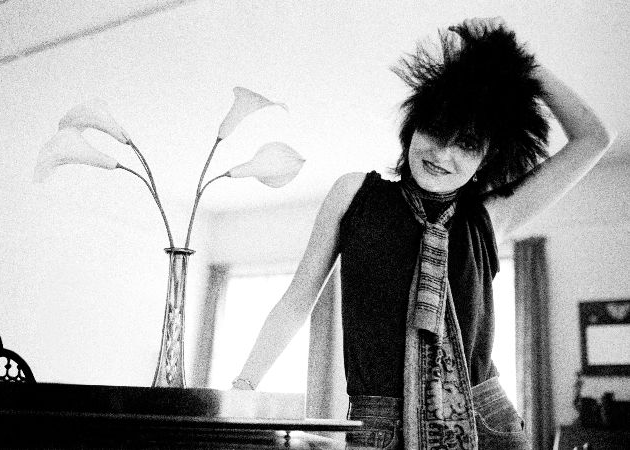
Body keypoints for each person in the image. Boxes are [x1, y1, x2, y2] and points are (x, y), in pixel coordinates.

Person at [231, 17, 615, 450]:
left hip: (485, 424)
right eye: (435, 129)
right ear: (412, 127)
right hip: (377, 427)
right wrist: (244, 386)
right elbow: (298, 299)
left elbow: (594, 139)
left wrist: (519, 65)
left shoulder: (489, 217)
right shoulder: (355, 194)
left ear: (486, 159)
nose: (443, 152)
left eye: (467, 144)